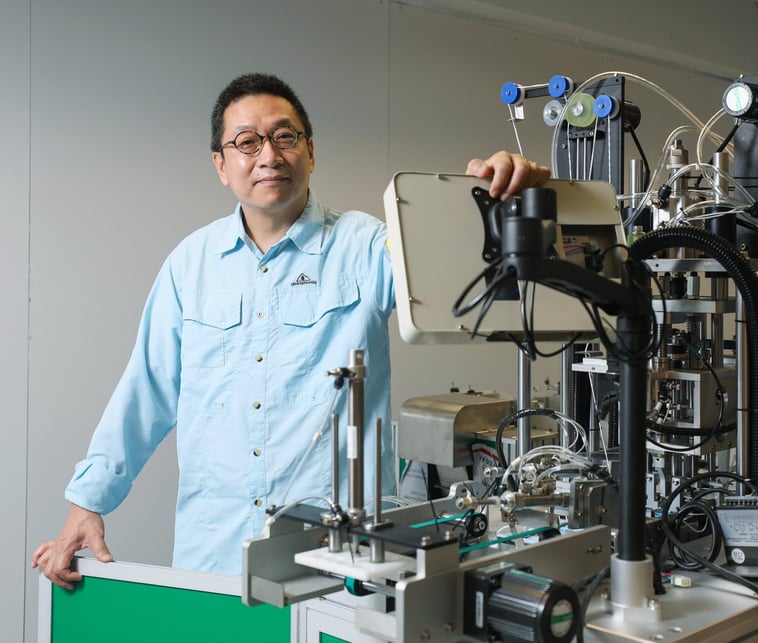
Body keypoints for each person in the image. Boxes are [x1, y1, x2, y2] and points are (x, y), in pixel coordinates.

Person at [32, 72, 550, 588]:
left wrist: (503, 206)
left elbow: (458, 278)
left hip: (336, 558)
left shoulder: (365, 245)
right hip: (213, 553)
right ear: (221, 165)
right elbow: (147, 389)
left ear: (310, 150)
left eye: (285, 136)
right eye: (247, 142)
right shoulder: (190, 264)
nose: (269, 155)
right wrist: (87, 504)